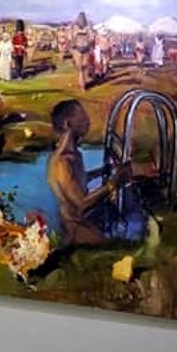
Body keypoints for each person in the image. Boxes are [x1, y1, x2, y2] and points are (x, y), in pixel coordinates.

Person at [46, 100, 126, 246]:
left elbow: (76, 181)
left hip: (84, 224)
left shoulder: (74, 155)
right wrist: (113, 183)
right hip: (77, 230)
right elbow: (81, 203)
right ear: (68, 124)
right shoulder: (63, 161)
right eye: (82, 117)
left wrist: (101, 171)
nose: (88, 121)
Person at [70, 11, 94, 90]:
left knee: (84, 66)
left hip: (85, 48)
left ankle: (83, 82)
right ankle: (82, 85)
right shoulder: (75, 27)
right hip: (78, 48)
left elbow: (91, 37)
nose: (81, 20)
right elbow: (71, 37)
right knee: (80, 67)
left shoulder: (88, 27)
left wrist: (89, 42)